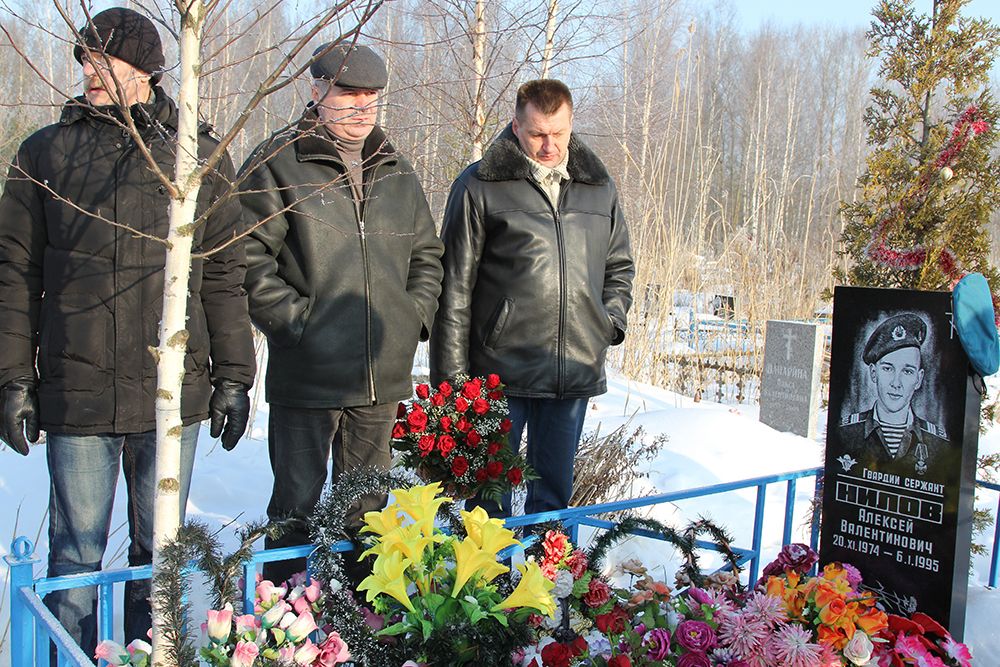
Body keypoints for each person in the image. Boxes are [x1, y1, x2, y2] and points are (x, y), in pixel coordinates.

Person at [0, 7, 256, 657]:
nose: (88, 71)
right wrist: (11, 378)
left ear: (144, 68)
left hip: (172, 394)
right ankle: (71, 655)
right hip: (77, 386)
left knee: (159, 554)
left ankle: (153, 655)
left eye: (102, 59)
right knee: (77, 555)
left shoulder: (196, 154)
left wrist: (233, 375)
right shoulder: (45, 154)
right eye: (83, 59)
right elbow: (13, 275)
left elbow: (223, 275)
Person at [239, 43, 444, 584]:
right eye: (348, 95)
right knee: (293, 515)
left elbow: (427, 254)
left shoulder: (397, 169)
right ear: (316, 90)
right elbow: (246, 256)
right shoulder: (277, 163)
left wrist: (411, 319)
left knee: (367, 518)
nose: (361, 108)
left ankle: (358, 628)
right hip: (307, 377)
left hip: (378, 378)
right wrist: (298, 324)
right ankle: (280, 633)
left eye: (371, 98)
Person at [430, 78, 635, 516]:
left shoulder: (599, 187)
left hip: (573, 368)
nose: (549, 145)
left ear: (571, 123)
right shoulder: (480, 185)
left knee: (553, 503)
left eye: (558, 133)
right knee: (488, 506)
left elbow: (619, 267)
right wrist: (451, 383)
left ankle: (547, 583)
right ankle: (485, 582)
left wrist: (607, 323)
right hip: (497, 377)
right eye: (537, 133)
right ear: (515, 125)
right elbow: (454, 289)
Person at [840, 312, 948, 475]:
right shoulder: (845, 432)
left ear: (918, 379)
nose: (896, 383)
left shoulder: (937, 442)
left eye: (907, 371)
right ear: (873, 373)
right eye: (888, 369)